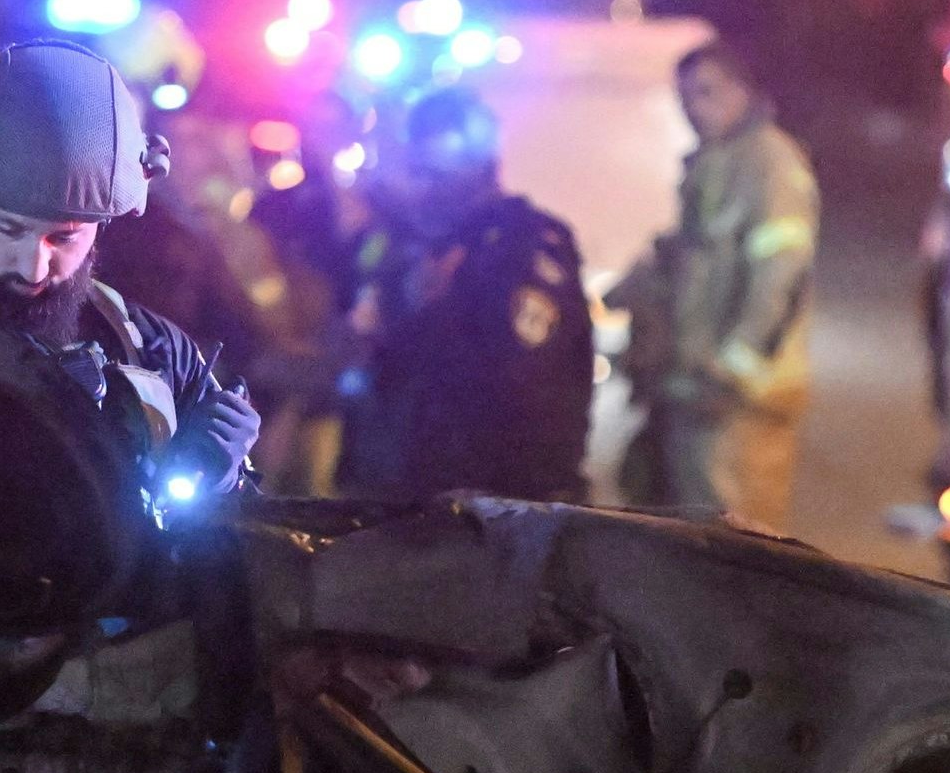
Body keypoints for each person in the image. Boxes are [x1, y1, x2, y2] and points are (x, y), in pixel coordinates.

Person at [0, 38, 259, 511]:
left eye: (64, 239)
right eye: (10, 230)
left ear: (100, 227)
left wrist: (222, 485)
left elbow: (231, 568)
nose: (34, 266)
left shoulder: (156, 355)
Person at [336, 86, 593, 502]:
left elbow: (525, 377)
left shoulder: (522, 241)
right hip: (410, 483)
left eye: (431, 173)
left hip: (496, 494)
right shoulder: (409, 240)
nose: (418, 186)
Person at [620, 38, 819, 529]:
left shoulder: (769, 163)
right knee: (692, 540)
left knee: (742, 549)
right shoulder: (716, 161)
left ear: (742, 90)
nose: (694, 108)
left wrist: (732, 372)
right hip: (697, 394)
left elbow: (782, 276)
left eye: (707, 92)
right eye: (685, 96)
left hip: (740, 404)